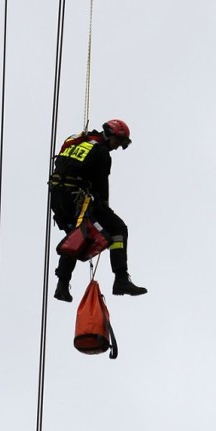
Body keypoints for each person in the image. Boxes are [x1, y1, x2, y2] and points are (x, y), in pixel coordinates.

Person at [49, 118, 147, 301]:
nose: (117, 147)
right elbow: (101, 189)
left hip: (58, 199)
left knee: (77, 236)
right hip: (77, 198)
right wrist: (104, 210)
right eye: (118, 142)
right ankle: (121, 278)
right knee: (118, 228)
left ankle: (62, 285)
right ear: (110, 134)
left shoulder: (77, 140)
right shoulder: (101, 153)